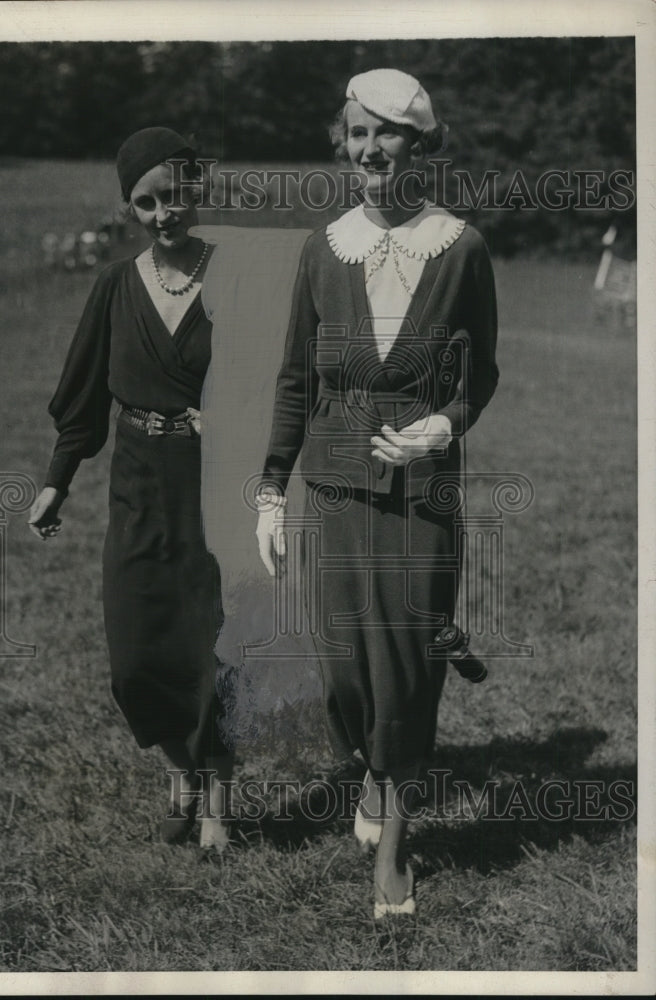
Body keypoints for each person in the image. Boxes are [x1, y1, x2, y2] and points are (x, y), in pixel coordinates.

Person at [256, 69, 499, 917]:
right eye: (357, 134)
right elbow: (294, 378)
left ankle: (395, 843)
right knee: (345, 672)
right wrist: (268, 491)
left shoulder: (461, 247)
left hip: (423, 493)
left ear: (419, 143)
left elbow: (482, 372)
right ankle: (372, 771)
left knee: (406, 663)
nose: (369, 150)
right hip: (335, 489)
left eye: (387, 134)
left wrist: (444, 425)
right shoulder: (324, 249)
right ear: (344, 142)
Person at [28, 127, 233, 850]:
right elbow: (82, 392)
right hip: (139, 482)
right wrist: (57, 481)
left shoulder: (237, 277)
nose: (162, 212)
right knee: (136, 653)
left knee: (213, 644)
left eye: (174, 194)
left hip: (216, 488)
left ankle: (216, 794)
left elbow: (285, 381)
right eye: (145, 202)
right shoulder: (115, 286)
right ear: (130, 209)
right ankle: (180, 765)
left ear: (196, 188)